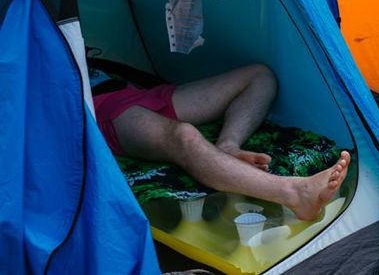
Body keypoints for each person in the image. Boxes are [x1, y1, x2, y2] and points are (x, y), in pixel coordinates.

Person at [94, 64, 350, 221]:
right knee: (184, 135)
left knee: (260, 76)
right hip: (99, 108)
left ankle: (227, 146)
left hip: (133, 92)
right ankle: (295, 193)